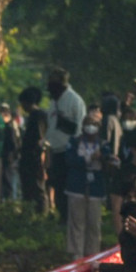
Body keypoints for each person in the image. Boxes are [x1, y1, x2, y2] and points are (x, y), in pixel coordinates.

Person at [64, 109, 110, 258]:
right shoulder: (74, 142)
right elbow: (69, 160)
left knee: (94, 225)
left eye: (95, 124)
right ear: (83, 125)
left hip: (96, 188)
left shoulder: (104, 145)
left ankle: (93, 258)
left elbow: (109, 164)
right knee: (77, 224)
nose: (91, 127)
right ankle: (76, 258)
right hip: (76, 187)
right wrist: (88, 158)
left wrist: (103, 158)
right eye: (88, 123)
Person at [43, 67, 86, 220]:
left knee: (69, 187)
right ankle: (62, 217)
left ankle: (71, 217)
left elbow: (80, 128)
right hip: (55, 150)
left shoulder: (74, 100)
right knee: (57, 184)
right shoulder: (53, 102)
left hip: (69, 151)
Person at [17, 86, 48, 212]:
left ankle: (40, 214)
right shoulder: (33, 116)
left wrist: (41, 162)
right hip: (28, 159)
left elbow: (40, 140)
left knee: (37, 189)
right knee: (28, 189)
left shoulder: (38, 116)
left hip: (34, 160)